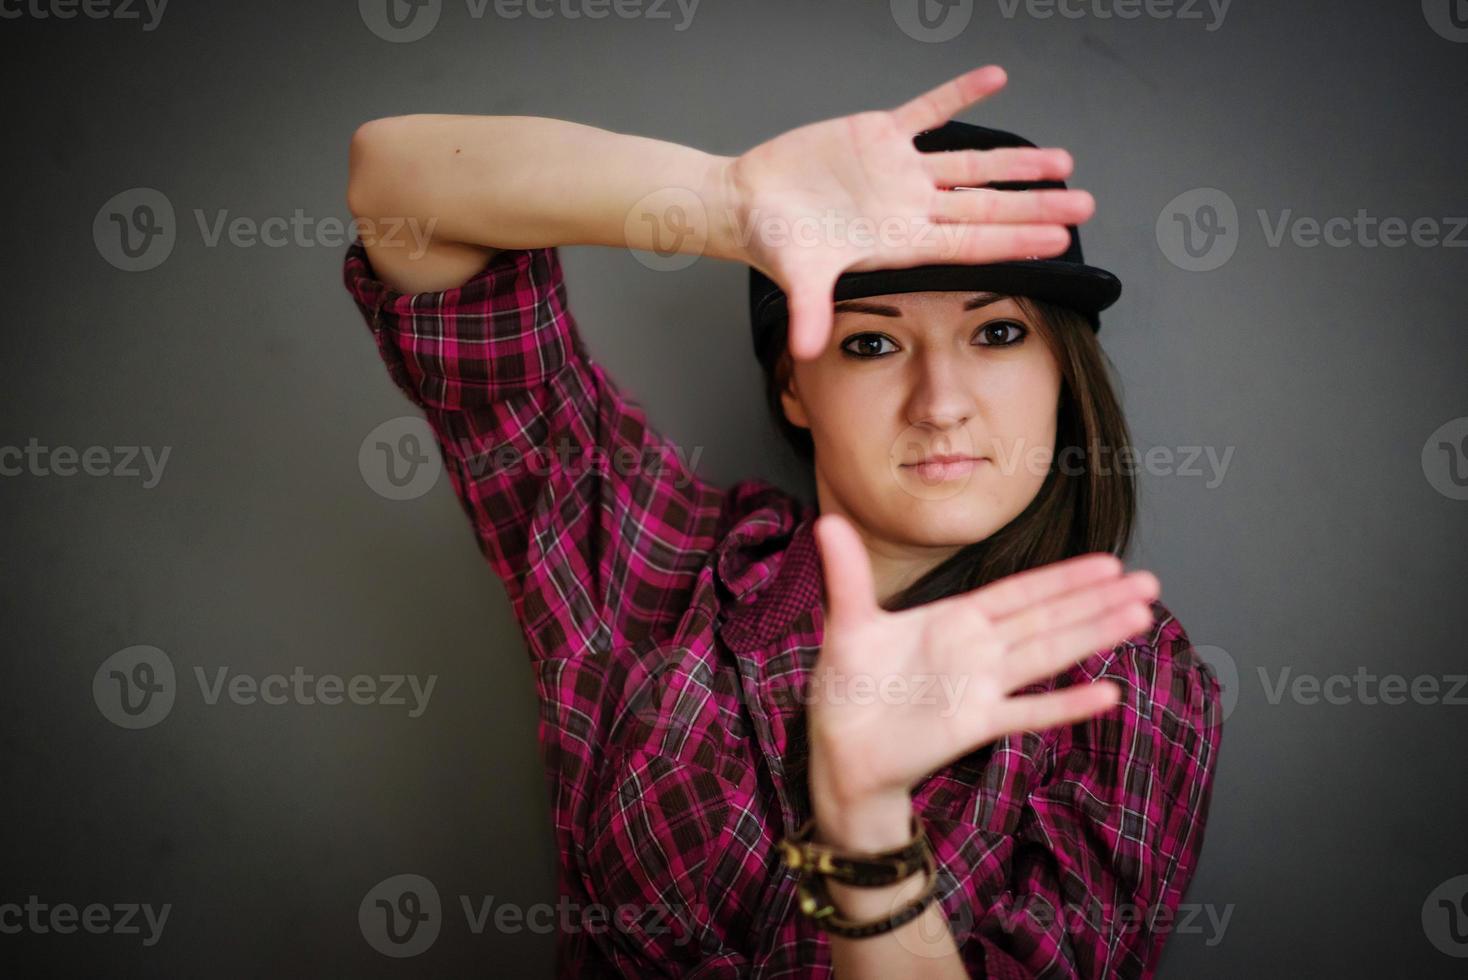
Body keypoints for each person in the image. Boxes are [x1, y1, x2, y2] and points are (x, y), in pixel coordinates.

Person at [341, 65, 1222, 978]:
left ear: (1060, 370)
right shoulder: (656, 559)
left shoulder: (1129, 678)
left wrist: (867, 828)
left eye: (996, 333)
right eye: (871, 342)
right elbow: (398, 183)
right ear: (794, 386)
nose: (941, 401)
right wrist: (725, 199)